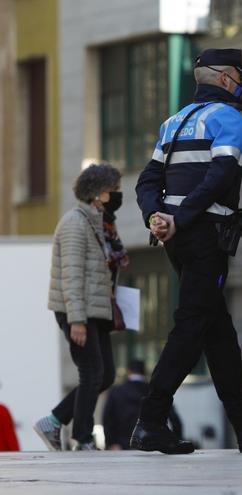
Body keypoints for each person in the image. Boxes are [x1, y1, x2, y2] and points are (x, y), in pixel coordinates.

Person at [134, 48, 242, 455]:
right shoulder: (228, 119)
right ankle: (150, 421)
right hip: (204, 235)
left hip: (178, 236)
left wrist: (157, 216)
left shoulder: (174, 122)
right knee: (191, 325)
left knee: (217, 330)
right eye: (240, 78)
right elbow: (222, 176)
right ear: (224, 78)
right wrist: (181, 217)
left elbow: (148, 180)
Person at [36, 164, 125, 451]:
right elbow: (71, 274)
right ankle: (83, 437)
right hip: (79, 311)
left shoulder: (99, 223)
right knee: (91, 372)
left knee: (106, 374)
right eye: (113, 191)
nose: (116, 195)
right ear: (97, 193)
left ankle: (54, 420)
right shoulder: (75, 223)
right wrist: (76, 320)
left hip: (96, 310)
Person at [102, 360, 183, 450]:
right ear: (144, 372)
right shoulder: (155, 392)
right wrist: (175, 442)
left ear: (128, 371)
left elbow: (107, 419)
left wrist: (111, 443)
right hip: (151, 445)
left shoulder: (116, 392)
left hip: (121, 446)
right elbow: (174, 420)